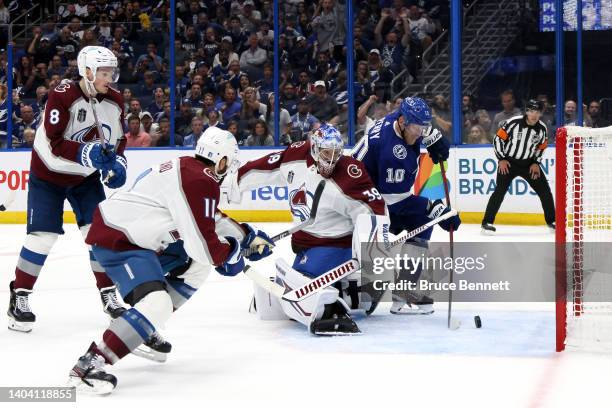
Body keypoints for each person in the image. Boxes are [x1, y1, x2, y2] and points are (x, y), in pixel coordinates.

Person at [67, 127, 274, 394]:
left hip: (138, 238)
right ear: (221, 159)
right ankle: (91, 363)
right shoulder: (201, 180)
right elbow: (205, 247)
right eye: (229, 162)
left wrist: (246, 236)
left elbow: (209, 220)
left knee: (196, 269)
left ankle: (141, 325)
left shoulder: (191, 170)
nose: (228, 169)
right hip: (120, 240)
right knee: (159, 301)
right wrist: (231, 254)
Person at [8, 46, 127, 333]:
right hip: (47, 175)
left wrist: (118, 163)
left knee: (99, 235)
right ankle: (20, 296)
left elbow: (118, 140)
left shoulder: (115, 101)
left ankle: (108, 293)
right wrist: (88, 154)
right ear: (86, 71)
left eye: (111, 72)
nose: (109, 78)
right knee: (42, 237)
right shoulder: (62, 95)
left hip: (84, 179)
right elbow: (54, 140)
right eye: (103, 72)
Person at [227, 124, 388, 335]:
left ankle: (337, 307)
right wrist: (231, 183)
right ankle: (356, 293)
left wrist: (371, 251)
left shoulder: (350, 173)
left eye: (336, 154)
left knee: (300, 289)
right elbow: (265, 167)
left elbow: (376, 210)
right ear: (314, 149)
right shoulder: (296, 155)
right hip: (307, 243)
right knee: (297, 284)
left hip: (335, 244)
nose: (331, 161)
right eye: (326, 153)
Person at [351, 96, 461, 314]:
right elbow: (395, 201)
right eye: (417, 127)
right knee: (421, 217)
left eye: (424, 126)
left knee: (422, 222)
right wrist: (434, 208)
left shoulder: (402, 120)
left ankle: (404, 291)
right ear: (402, 122)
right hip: (362, 200)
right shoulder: (391, 151)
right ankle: (366, 285)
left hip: (377, 194)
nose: (422, 132)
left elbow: (428, 135)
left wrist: (436, 140)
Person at [481, 99, 555, 233]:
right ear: (526, 111)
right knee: (499, 192)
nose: (534, 114)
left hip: (528, 164)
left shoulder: (542, 128)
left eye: (537, 112)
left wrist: (536, 162)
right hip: (509, 163)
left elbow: (542, 147)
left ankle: (551, 221)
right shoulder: (513, 123)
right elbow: (498, 139)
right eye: (531, 111)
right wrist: (501, 159)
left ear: (540, 113)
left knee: (545, 191)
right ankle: (486, 223)